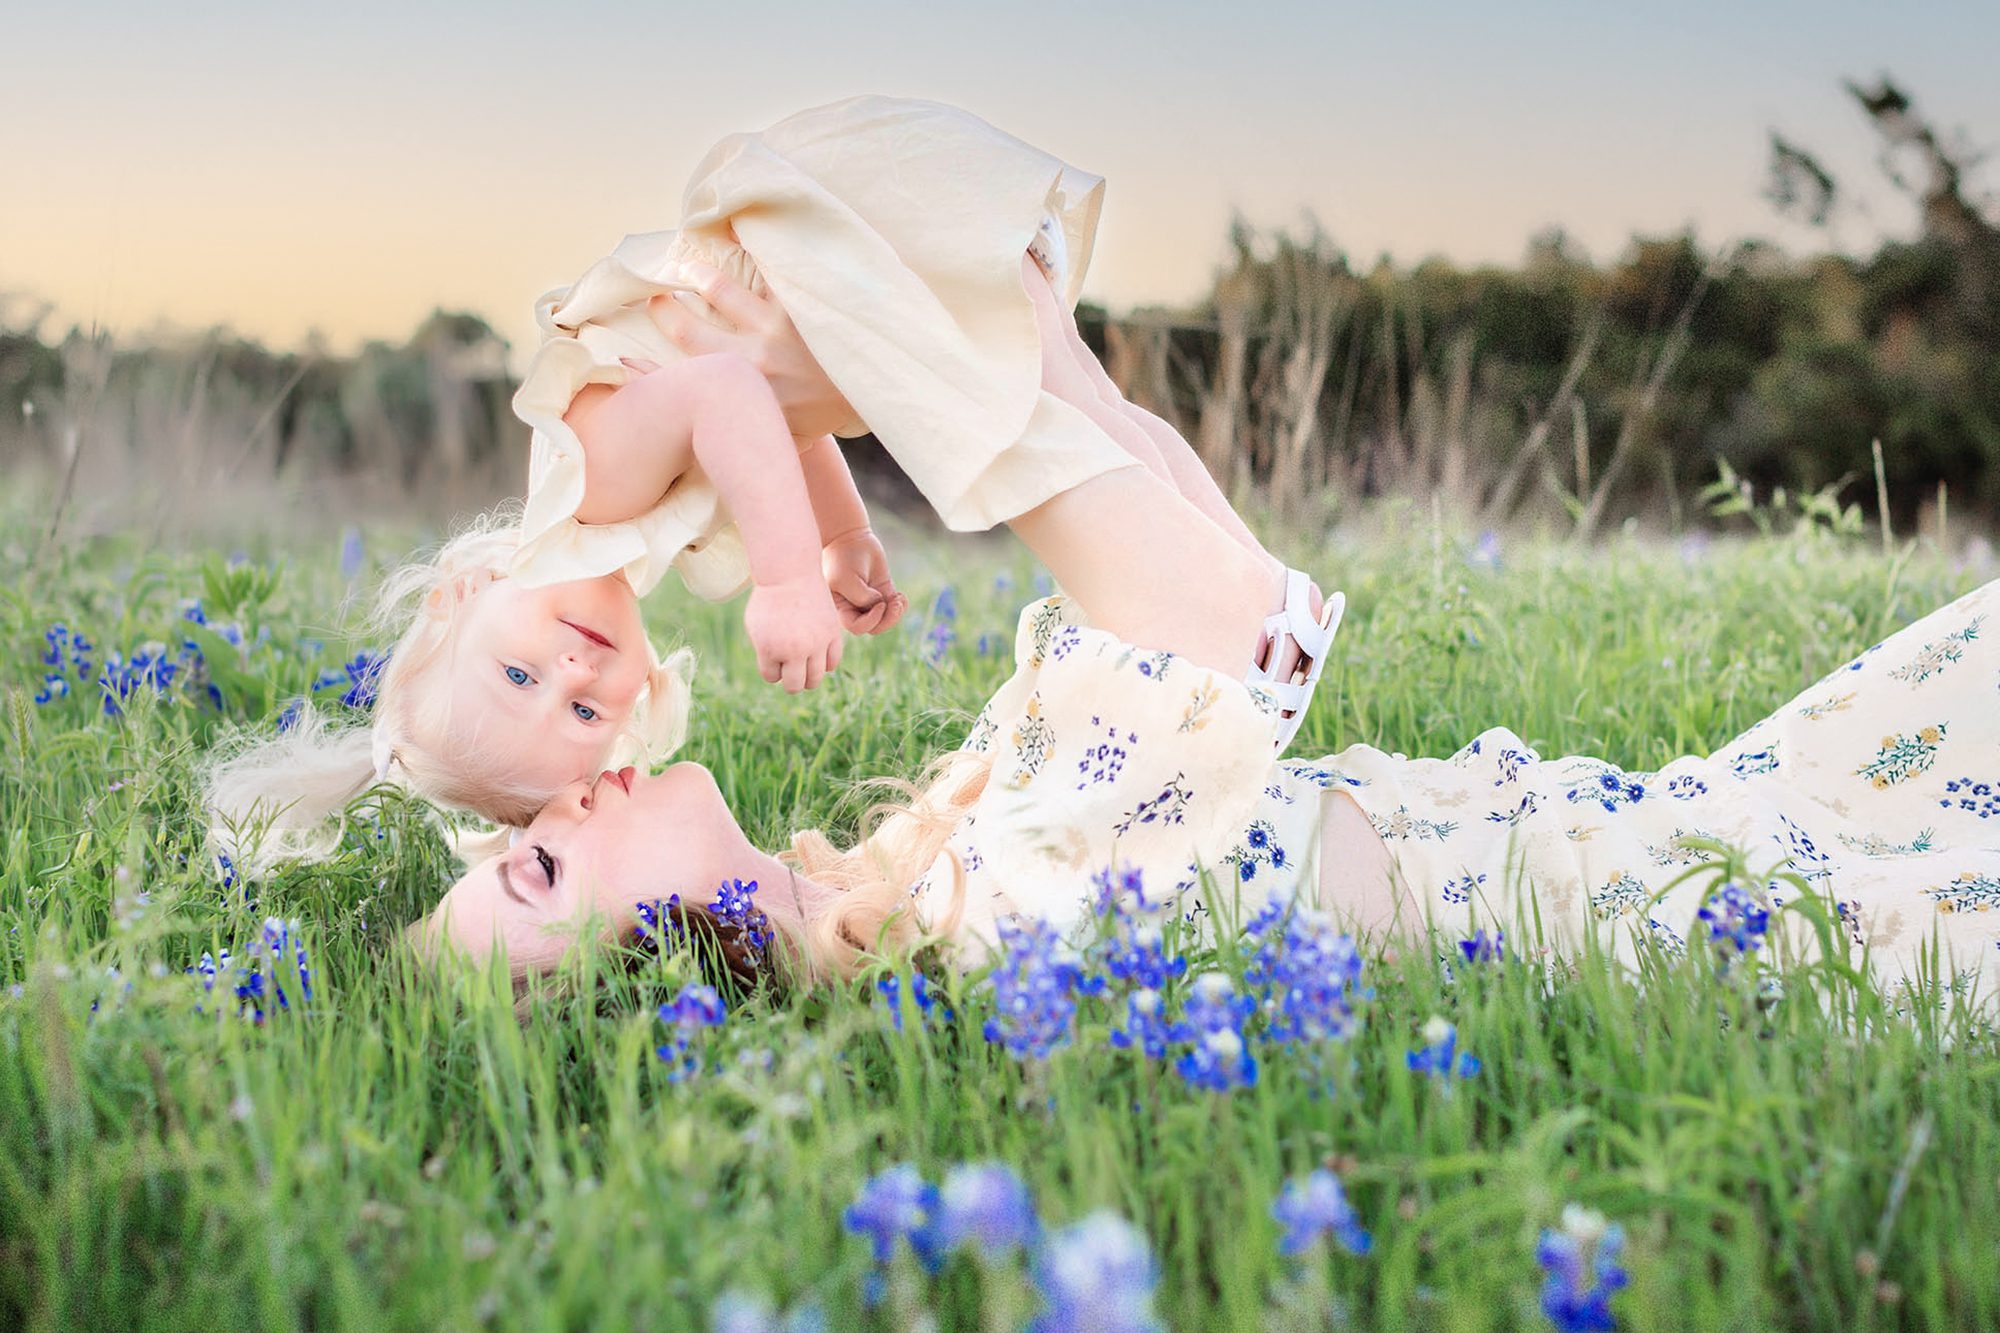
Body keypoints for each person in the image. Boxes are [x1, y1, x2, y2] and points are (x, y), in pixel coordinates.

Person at [420, 347, 2000, 1010]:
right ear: (659, 972)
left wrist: (1038, 342)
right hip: (1647, 905)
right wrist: (933, 355)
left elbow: (1218, 565)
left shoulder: (935, 881)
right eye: (546, 859)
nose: (569, 787)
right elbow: (1210, 605)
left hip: (1641, 832)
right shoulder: (1003, 937)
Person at [209, 95, 1337, 868]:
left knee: (1029, 433)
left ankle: (1251, 648)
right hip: (840, 251)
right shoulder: (628, 537)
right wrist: (842, 535)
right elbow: (773, 421)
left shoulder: (589, 488)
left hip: (834, 239)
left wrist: (788, 580)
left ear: (459, 596)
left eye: (517, 671)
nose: (568, 672)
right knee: (1085, 411)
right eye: (585, 712)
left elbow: (731, 397)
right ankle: (1258, 601)